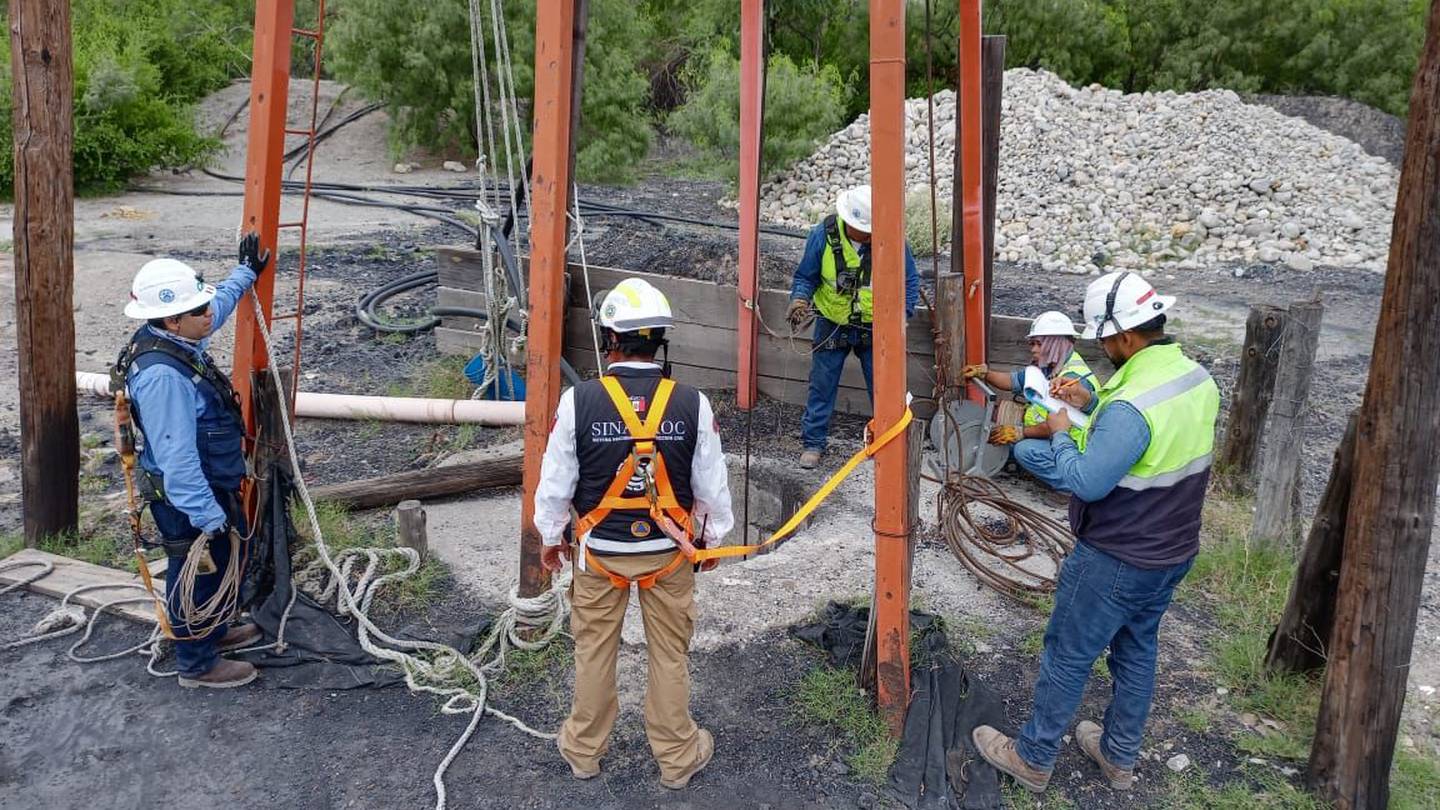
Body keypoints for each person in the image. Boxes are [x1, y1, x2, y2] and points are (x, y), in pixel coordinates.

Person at [970, 271, 1220, 794]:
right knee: (1137, 649)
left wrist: (1061, 432)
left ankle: (1033, 757)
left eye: (1105, 339)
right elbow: (1152, 448)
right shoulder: (1194, 378)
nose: (1103, 348)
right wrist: (1088, 403)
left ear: (1124, 336)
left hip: (1118, 554)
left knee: (1068, 653)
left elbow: (1086, 480)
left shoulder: (1133, 404)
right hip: (1173, 549)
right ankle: (1118, 754)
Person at [532, 277, 735, 790]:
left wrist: (551, 537)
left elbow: (555, 483)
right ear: (659, 343)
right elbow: (711, 488)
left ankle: (583, 751)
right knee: (669, 655)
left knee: (593, 652)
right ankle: (677, 758)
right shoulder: (693, 403)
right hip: (668, 554)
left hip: (600, 554)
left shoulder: (578, 402)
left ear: (610, 340)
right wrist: (710, 541)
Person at [116, 233, 270, 688]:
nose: (209, 315)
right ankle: (197, 663)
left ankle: (213, 631)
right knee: (197, 571)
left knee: (217, 567)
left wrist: (245, 273)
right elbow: (177, 457)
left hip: (206, 482)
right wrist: (206, 514)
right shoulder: (164, 377)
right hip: (189, 495)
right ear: (173, 319)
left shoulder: (171, 336)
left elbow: (217, 307)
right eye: (199, 310)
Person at [786, 184, 920, 469]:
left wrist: (902, 317)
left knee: (884, 390)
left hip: (875, 327)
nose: (871, 234)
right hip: (831, 322)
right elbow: (806, 277)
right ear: (850, 223)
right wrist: (799, 299)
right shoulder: (822, 236)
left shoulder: (892, 240)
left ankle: (889, 445)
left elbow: (909, 282)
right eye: (866, 229)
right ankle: (813, 443)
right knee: (821, 386)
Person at [961, 311, 1099, 486]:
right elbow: (1013, 381)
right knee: (1001, 439)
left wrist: (1020, 432)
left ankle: (1071, 486)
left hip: (1074, 447)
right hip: (1052, 436)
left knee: (1024, 450)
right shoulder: (1050, 366)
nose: (1033, 349)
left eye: (1039, 344)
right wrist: (984, 373)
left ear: (1055, 343)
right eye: (1032, 344)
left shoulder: (1072, 381)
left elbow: (1056, 425)